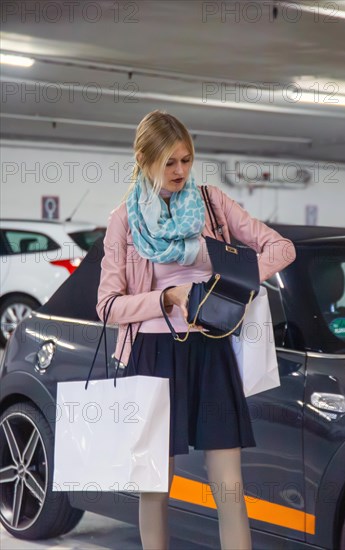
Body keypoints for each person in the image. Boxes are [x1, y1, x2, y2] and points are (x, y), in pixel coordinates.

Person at [97, 110, 296, 550]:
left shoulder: (210, 203)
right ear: (144, 159)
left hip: (211, 348)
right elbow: (107, 306)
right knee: (156, 484)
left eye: (186, 160)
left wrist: (224, 282)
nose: (180, 171)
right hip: (151, 355)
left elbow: (282, 248)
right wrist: (165, 299)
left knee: (229, 485)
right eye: (169, 162)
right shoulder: (124, 221)